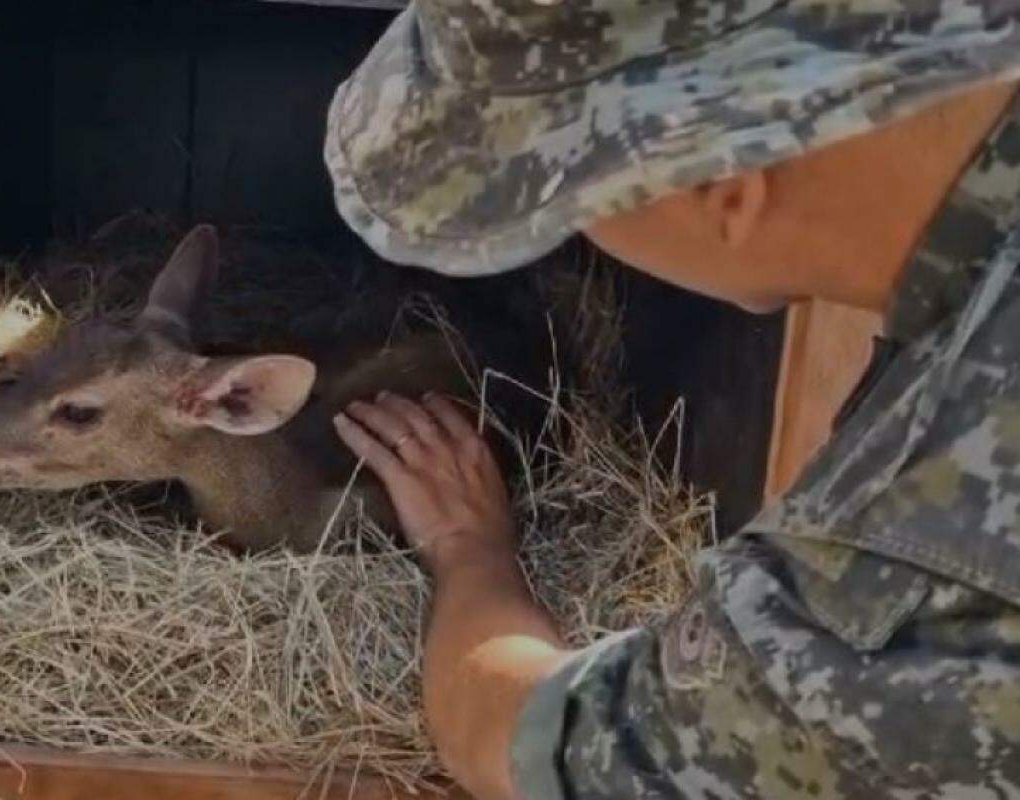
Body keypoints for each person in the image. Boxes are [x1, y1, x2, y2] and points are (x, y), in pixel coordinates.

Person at [325, 2, 1020, 799]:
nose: (580, 235)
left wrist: (465, 547)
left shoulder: (923, 547)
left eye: (575, 204)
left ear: (719, 183)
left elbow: (536, 749)